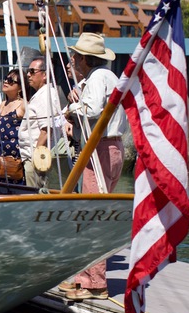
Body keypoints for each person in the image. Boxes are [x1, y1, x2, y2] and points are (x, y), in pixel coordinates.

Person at [62, 32, 126, 194]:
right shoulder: (110, 76)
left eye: (76, 55)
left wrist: (71, 110)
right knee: (104, 198)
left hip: (100, 147)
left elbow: (93, 109)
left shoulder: (96, 78)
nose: (73, 59)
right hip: (114, 147)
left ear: (83, 58)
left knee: (91, 202)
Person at [19, 55, 61, 190]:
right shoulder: (41, 94)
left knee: (34, 194)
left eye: (32, 71)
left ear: (45, 75)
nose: (28, 75)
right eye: (28, 71)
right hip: (32, 156)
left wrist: (36, 156)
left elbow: (46, 128)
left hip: (36, 159)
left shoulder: (46, 95)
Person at [0, 69, 26, 185]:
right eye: (6, 78)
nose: (5, 81)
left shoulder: (23, 105)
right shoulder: (2, 104)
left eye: (10, 80)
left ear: (20, 87)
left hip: (11, 159)